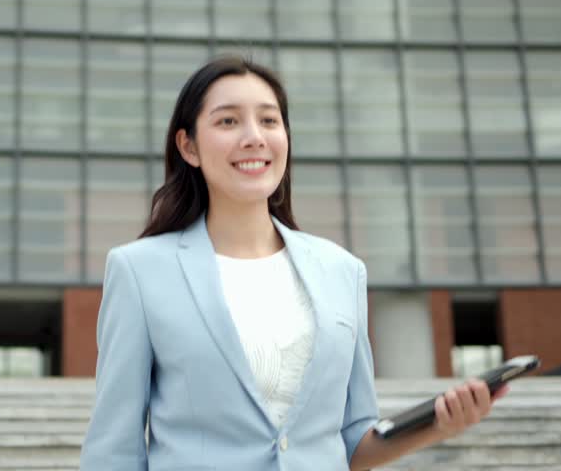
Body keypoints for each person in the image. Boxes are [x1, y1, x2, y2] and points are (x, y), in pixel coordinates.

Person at [79, 55, 506, 470]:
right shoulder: (139, 271)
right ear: (188, 146)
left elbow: (353, 442)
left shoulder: (341, 271)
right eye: (228, 121)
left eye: (268, 120)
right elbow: (113, 450)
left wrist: (438, 425)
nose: (254, 137)